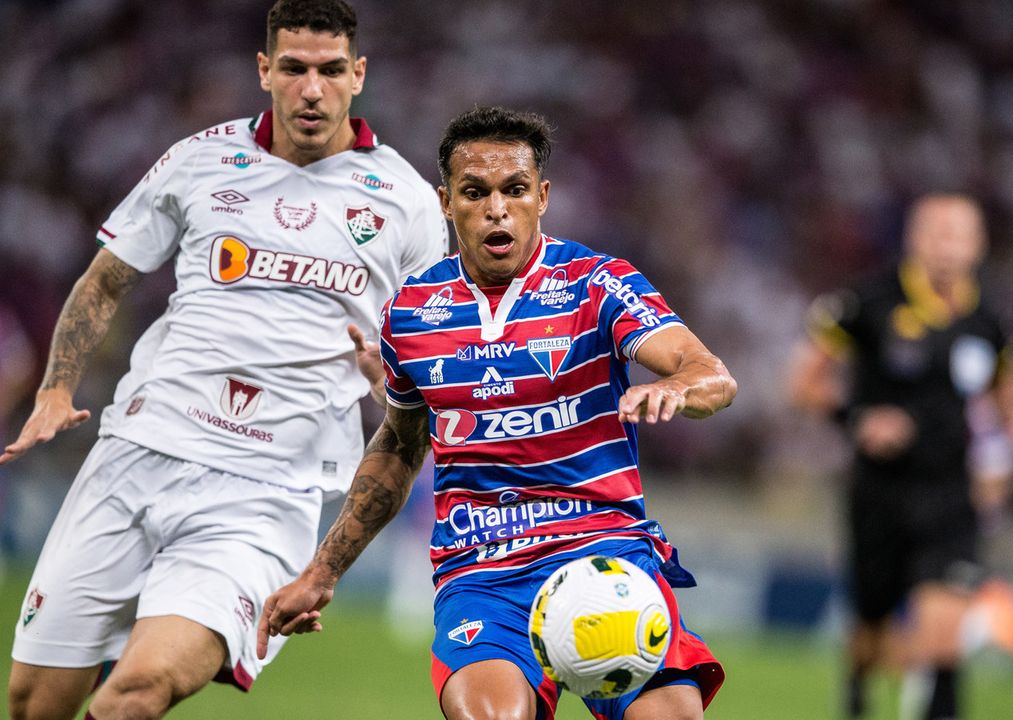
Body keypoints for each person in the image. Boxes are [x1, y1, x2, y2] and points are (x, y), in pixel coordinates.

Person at [2, 1, 449, 718]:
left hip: (263, 495)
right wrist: (56, 389)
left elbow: (433, 360)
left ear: (358, 75)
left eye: (331, 71)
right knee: (32, 704)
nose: (312, 89)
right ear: (264, 70)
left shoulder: (407, 204)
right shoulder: (199, 159)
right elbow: (106, 277)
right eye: (295, 69)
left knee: (135, 694)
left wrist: (392, 378)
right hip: (136, 454)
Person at [257, 106, 738, 720]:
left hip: (606, 554)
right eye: (474, 192)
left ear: (541, 197)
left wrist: (677, 389)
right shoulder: (410, 313)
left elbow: (710, 374)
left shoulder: (599, 284)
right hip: (484, 569)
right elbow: (401, 448)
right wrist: (323, 572)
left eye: (513, 190)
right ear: (445, 201)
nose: (495, 208)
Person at [789, 193, 1013, 720]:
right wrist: (859, 418)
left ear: (979, 244)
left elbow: (1009, 403)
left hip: (951, 496)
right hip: (879, 491)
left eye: (959, 234)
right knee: (872, 630)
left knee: (942, 638)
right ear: (913, 239)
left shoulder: (993, 319)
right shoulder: (868, 301)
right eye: (936, 232)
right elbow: (804, 384)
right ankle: (857, 686)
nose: (947, 246)